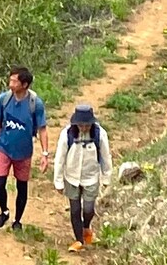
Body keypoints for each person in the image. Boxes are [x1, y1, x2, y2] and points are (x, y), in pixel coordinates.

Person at [0, 65, 49, 231]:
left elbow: (42, 129)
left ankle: (18, 220)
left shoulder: (35, 104)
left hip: (23, 151)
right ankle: (4, 211)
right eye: (11, 79)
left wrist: (45, 154)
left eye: (14, 81)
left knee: (21, 186)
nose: (11, 83)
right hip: (4, 147)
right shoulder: (4, 99)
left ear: (25, 84)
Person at [53, 103, 112, 253]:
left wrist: (106, 178)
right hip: (71, 177)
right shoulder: (67, 134)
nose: (83, 128)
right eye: (81, 125)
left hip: (91, 177)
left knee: (88, 209)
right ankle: (79, 240)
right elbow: (60, 158)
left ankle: (86, 227)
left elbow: (106, 157)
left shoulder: (100, 134)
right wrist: (58, 181)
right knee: (75, 210)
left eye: (86, 125)